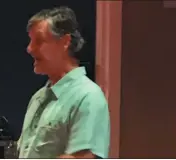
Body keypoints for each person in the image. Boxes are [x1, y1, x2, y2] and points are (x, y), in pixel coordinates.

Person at [17, 6, 110, 159]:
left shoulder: (88, 97)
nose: (29, 49)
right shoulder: (38, 97)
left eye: (39, 41)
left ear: (65, 42)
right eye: (30, 41)